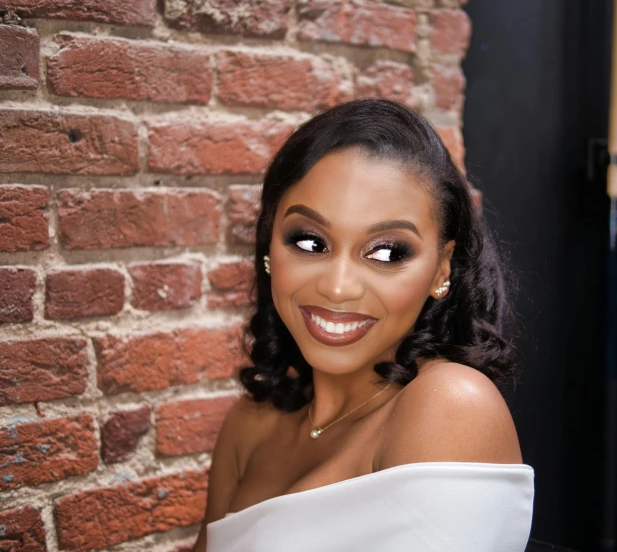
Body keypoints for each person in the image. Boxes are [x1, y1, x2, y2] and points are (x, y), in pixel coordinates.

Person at [194, 99, 534, 552]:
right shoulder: (249, 425)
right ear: (270, 245)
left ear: (441, 269)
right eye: (310, 241)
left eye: (387, 252)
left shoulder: (450, 406)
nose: (337, 288)